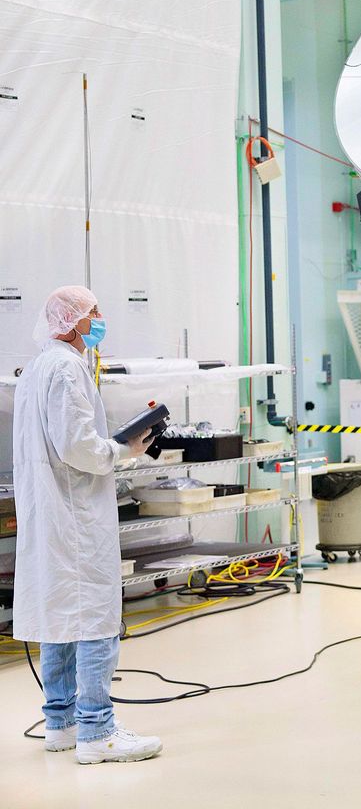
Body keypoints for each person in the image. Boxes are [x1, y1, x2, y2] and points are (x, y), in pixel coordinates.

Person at [13, 286, 163, 764]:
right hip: (75, 515)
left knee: (60, 614)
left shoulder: (38, 366)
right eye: (94, 311)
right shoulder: (67, 368)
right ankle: (97, 733)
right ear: (74, 320)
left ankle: (61, 721)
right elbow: (78, 447)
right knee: (95, 616)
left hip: (50, 511)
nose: (101, 317)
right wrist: (124, 449)